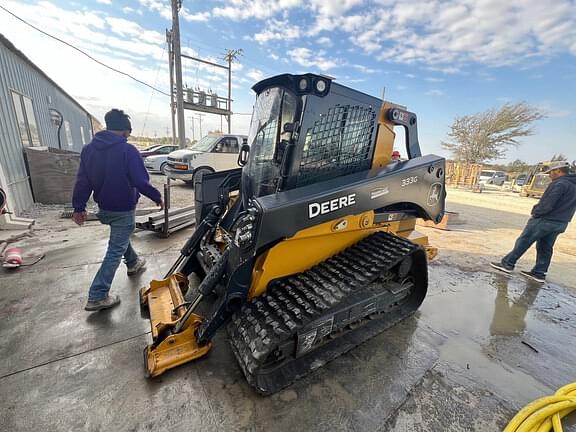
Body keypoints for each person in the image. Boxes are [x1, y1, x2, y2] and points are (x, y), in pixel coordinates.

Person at [72, 109, 163, 311]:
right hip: (123, 208)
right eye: (128, 134)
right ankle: (98, 295)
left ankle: (133, 263)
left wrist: (79, 207)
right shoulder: (127, 150)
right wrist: (157, 196)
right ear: (124, 131)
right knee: (115, 249)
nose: (128, 137)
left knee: (120, 238)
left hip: (104, 208)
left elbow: (82, 181)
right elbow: (140, 180)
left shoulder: (89, 149)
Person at [491, 161, 576, 283]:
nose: (549, 175)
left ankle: (507, 264)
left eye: (551, 172)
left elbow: (548, 204)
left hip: (545, 220)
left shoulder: (560, 184)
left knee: (524, 241)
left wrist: (536, 213)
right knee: (545, 247)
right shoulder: (573, 185)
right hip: (561, 223)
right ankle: (539, 273)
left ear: (558, 171)